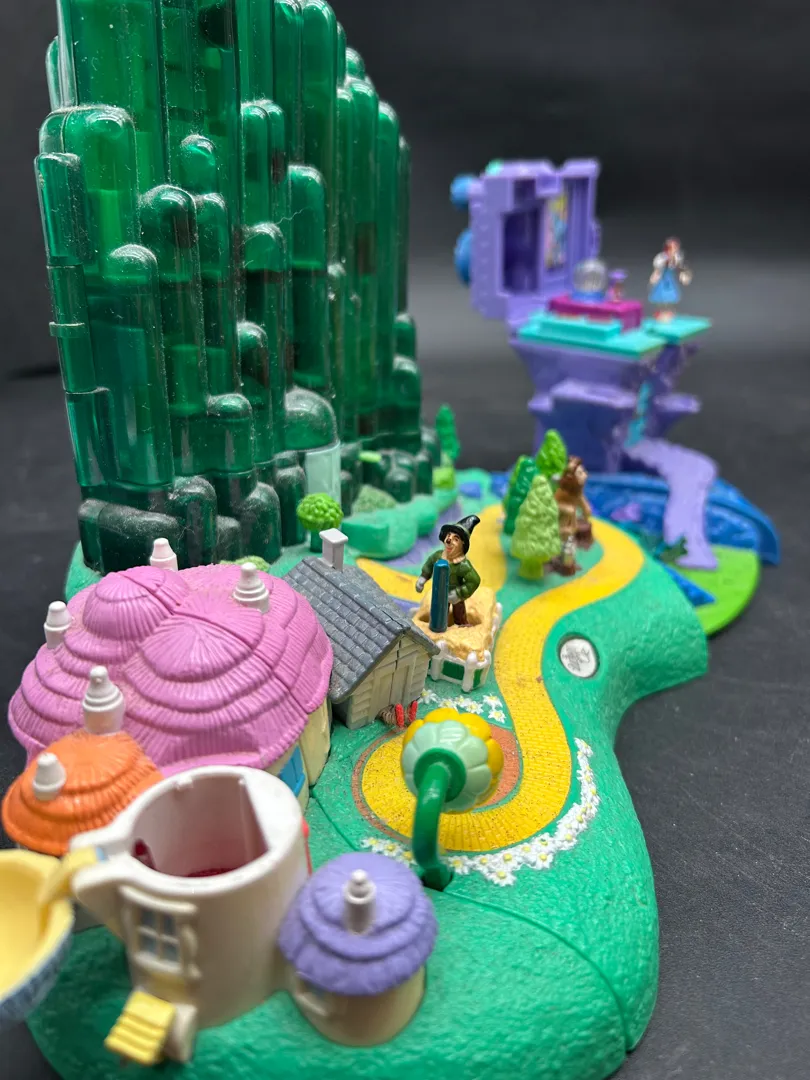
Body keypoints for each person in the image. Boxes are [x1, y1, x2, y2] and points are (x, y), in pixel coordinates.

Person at [416, 515, 481, 627]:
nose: (449, 540)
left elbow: (474, 580)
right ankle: (438, 626)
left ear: (463, 544)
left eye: (456, 539)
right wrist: (423, 578)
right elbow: (429, 565)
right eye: (449, 535)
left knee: (459, 613)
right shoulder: (438, 556)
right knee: (439, 614)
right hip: (439, 592)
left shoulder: (463, 565)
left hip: (455, 593)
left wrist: (459, 593)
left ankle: (462, 626)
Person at [648, 237, 692, 321]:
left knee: (670, 294)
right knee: (661, 294)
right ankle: (661, 311)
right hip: (662, 278)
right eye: (672, 248)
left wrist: (683, 274)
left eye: (676, 248)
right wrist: (655, 276)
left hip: (670, 278)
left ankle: (668, 311)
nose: (674, 250)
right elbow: (657, 268)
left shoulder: (677, 257)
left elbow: (680, 266)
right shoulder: (662, 257)